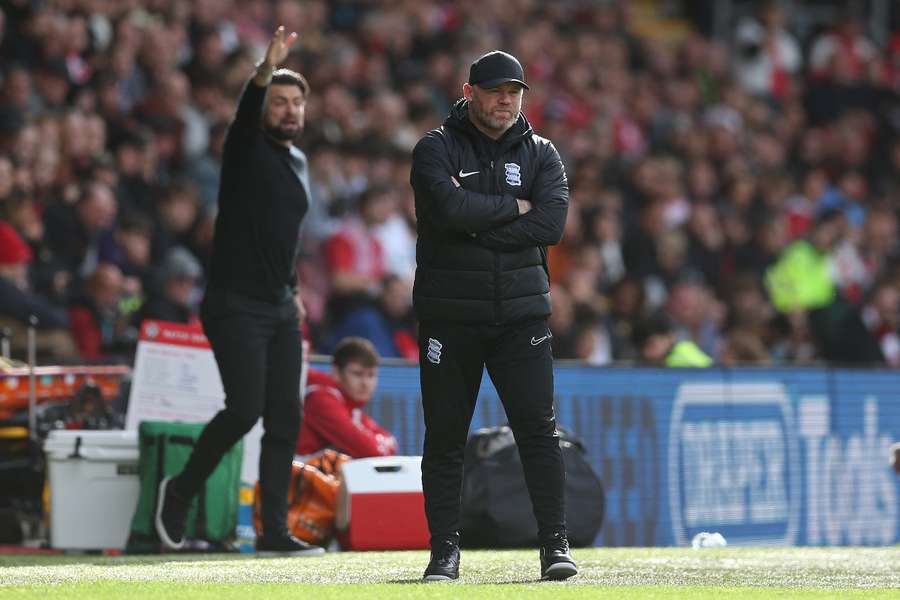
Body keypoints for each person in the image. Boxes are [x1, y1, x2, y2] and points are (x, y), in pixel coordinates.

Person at [155, 26, 323, 557]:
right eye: (280, 102)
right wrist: (263, 71)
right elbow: (246, 113)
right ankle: (179, 490)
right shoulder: (246, 147)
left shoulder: (298, 163)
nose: (290, 111)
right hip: (234, 303)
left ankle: (273, 530)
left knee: (285, 419)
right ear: (264, 107)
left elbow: (281, 236)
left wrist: (292, 287)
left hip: (278, 306)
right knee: (245, 409)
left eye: (297, 103)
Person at [409, 50, 575, 581]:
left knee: (539, 432)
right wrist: (513, 208)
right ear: (469, 92)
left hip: (521, 318)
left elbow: (550, 224)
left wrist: (475, 221)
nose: (506, 100)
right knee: (445, 437)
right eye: (496, 90)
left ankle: (555, 547)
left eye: (515, 91)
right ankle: (444, 552)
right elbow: (447, 209)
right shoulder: (434, 148)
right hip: (450, 318)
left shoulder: (543, 155)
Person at [296, 336, 398, 458]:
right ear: (336, 373)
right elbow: (369, 450)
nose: (365, 383)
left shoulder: (349, 407)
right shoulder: (320, 398)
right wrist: (381, 444)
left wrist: (381, 444)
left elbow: (390, 441)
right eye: (357, 374)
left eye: (371, 375)